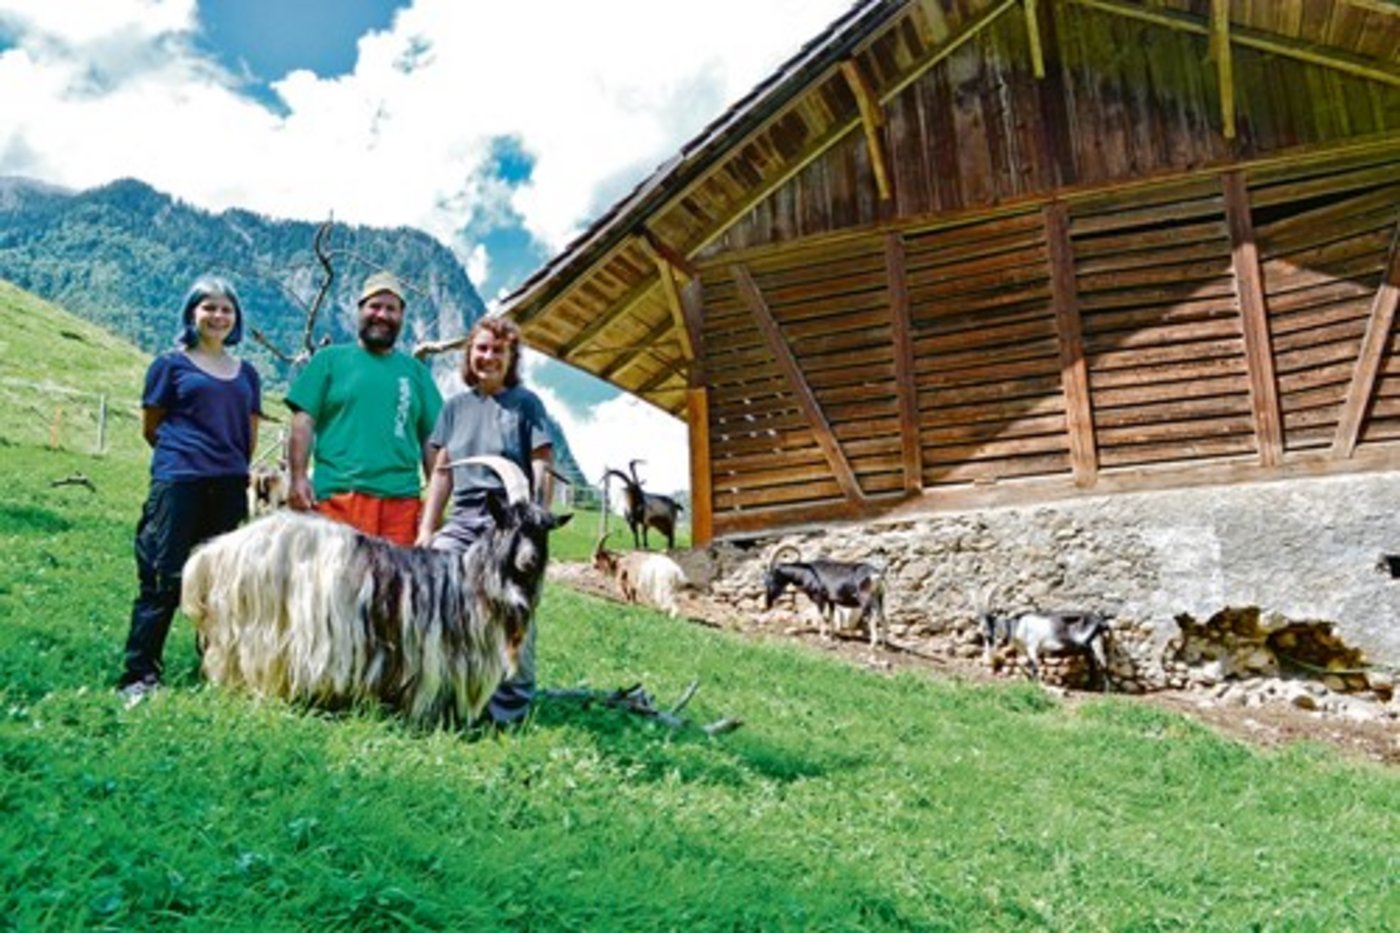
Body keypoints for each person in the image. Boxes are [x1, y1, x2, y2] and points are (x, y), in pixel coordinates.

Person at [119, 275, 262, 703]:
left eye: (226, 309)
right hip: (179, 481)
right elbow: (153, 426)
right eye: (209, 307)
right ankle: (140, 673)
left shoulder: (247, 374)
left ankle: (213, 666)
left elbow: (248, 432)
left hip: (229, 483)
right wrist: (185, 458)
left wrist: (230, 465)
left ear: (235, 318)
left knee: (221, 582)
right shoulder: (170, 365)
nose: (218, 316)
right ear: (192, 313)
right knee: (164, 576)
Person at [417, 315, 555, 726]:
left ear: (510, 357)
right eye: (481, 348)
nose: (488, 357)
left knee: (514, 608)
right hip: (463, 523)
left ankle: (507, 710)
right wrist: (428, 529)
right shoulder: (455, 408)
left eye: (498, 350)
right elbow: (442, 472)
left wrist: (534, 523)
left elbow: (542, 463)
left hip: (511, 527)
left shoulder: (525, 404)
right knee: (437, 598)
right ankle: (446, 692)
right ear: (469, 354)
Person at [285, 271, 442, 545]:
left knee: (397, 587)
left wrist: (435, 501)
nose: (382, 314)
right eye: (375, 306)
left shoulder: (417, 373)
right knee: (336, 586)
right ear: (359, 311)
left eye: (391, 309)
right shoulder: (328, 360)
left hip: (402, 506)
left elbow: (433, 440)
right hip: (337, 498)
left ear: (401, 318)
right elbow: (303, 421)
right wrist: (297, 477)